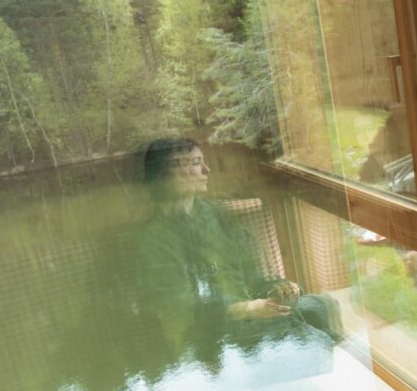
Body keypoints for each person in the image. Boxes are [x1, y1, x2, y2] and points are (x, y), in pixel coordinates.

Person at [137, 138, 341, 340]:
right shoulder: (153, 238)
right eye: (196, 163)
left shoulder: (214, 216)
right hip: (213, 336)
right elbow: (181, 307)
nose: (207, 170)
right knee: (317, 334)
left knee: (322, 306)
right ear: (165, 174)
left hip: (251, 318)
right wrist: (247, 309)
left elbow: (251, 273)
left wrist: (277, 289)